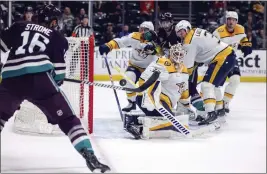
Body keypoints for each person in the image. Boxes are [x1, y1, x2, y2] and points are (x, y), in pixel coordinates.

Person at [0, 4, 110, 173]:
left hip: (10, 78)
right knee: (68, 119)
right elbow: (59, 76)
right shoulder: (57, 37)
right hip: (40, 79)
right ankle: (90, 157)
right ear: (52, 21)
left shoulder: (19, 25)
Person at [176, 20, 236, 124]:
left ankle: (211, 113)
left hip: (222, 57)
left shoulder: (189, 42)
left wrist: (179, 76)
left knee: (206, 85)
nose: (181, 35)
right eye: (178, 32)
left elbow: (188, 69)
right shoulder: (195, 31)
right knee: (213, 86)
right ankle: (219, 110)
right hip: (227, 55)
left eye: (182, 31)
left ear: (187, 29)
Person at [124, 44, 190, 139]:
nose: (178, 56)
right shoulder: (162, 62)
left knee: (172, 123)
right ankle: (139, 128)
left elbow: (184, 89)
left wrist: (188, 105)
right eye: (176, 54)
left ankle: (138, 123)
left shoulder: (184, 69)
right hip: (149, 99)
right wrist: (147, 93)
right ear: (171, 54)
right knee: (171, 123)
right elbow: (144, 79)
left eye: (181, 54)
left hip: (163, 102)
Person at [99, 21, 158, 113]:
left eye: (145, 30)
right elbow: (120, 41)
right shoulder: (134, 36)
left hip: (150, 68)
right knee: (128, 78)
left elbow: (163, 52)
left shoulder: (156, 40)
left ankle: (152, 103)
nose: (141, 32)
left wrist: (155, 49)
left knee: (148, 89)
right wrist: (108, 46)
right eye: (141, 29)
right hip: (135, 66)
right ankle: (132, 102)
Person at [212, 11, 252, 115]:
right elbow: (211, 46)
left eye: (233, 20)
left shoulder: (240, 29)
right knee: (215, 86)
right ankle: (218, 103)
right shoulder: (218, 32)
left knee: (235, 80)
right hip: (219, 61)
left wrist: (246, 45)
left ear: (236, 21)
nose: (231, 22)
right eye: (229, 19)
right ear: (226, 21)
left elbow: (243, 39)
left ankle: (225, 103)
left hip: (232, 59)